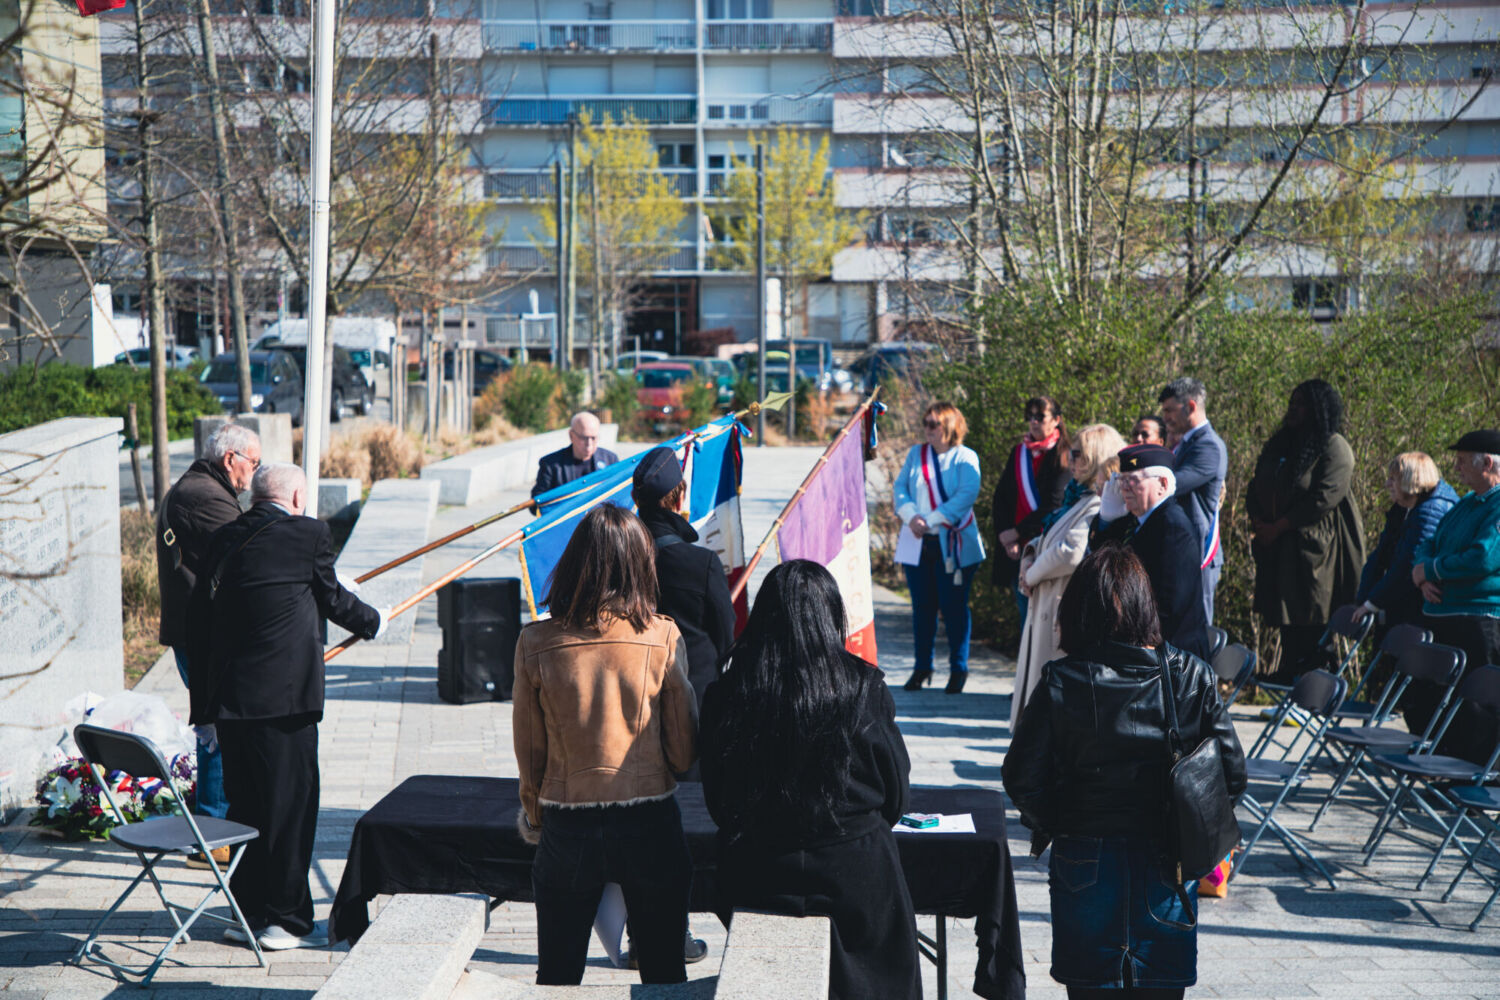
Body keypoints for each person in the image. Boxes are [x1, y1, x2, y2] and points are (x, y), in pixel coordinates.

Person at [1002, 546, 1246, 1000]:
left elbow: (1021, 778)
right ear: (1145, 604)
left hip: (1084, 858)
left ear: (1078, 612)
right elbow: (1232, 776)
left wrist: (1062, 820)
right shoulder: (1191, 675)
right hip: (1166, 858)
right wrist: (1191, 823)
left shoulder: (1062, 679)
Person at [700, 559, 919, 1000]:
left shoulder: (727, 691)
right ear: (831, 616)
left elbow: (718, 800)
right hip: (855, 870)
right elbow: (895, 794)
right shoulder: (863, 687)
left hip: (757, 868)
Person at [188, 463, 385, 951]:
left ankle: (248, 913)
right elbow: (332, 598)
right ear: (297, 497)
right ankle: (286, 920)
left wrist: (204, 711)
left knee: (247, 808)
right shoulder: (308, 534)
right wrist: (374, 621)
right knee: (289, 813)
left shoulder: (225, 537)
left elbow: (201, 624)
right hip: (284, 706)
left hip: (231, 706)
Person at [511, 503, 698, 985]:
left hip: (568, 823)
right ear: (641, 564)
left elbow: (530, 754)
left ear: (575, 563)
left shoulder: (535, 642)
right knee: (664, 973)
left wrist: (535, 817)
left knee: (558, 974)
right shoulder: (663, 636)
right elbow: (682, 753)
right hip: (650, 821)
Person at [155, 422, 260, 855]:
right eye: (254, 463)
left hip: (197, 630)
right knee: (216, 729)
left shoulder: (200, 486)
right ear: (230, 459)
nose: (254, 473)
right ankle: (212, 838)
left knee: (216, 726)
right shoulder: (205, 496)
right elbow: (251, 548)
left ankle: (213, 828)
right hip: (201, 634)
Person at [1246, 380, 1365, 681]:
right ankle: (1289, 674)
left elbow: (1324, 497)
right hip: (1279, 545)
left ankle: (1315, 680)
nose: (1294, 409)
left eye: (1302, 404)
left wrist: (1279, 526)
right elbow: (1257, 483)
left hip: (1317, 550)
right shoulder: (1283, 444)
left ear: (1318, 409)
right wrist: (1260, 521)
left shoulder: (1334, 446)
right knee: (1286, 615)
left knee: (1311, 615)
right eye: (1292, 403)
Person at [1012, 422, 1126, 730]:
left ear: (1096, 457)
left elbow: (1070, 552)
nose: (1070, 461)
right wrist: (1030, 555)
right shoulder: (1075, 498)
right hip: (1047, 598)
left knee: (1048, 708)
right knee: (1037, 703)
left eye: (1077, 454)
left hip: (1060, 604)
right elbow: (1050, 537)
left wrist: (1032, 575)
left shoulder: (1099, 502)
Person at [1407, 432, 1500, 763]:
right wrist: (1421, 574)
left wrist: (1432, 570)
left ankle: (1479, 774)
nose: (1456, 468)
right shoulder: (1466, 503)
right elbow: (1429, 542)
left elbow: (1483, 557)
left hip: (1479, 618)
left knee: (1478, 708)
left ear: (1486, 462)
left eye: (1462, 461)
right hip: (1443, 615)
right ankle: (1442, 765)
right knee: (1438, 701)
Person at [632, 446, 736, 706]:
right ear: (680, 500)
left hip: (632, 697)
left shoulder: (616, 558)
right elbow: (725, 638)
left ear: (636, 500)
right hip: (694, 699)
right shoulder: (702, 564)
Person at [893, 401, 986, 693]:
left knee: (954, 608)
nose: (928, 429)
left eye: (934, 424)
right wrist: (911, 516)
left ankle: (958, 668)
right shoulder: (916, 454)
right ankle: (922, 666)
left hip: (952, 543)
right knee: (922, 608)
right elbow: (900, 488)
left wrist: (930, 520)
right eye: (926, 423)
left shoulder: (965, 457)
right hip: (918, 540)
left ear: (950, 426)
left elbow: (966, 495)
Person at [1093, 444, 1211, 660]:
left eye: (1133, 480)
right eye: (1121, 480)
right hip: (1142, 647)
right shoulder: (1133, 521)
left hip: (1171, 656)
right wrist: (1106, 521)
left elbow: (1170, 606)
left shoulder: (1173, 528)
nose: (1124, 488)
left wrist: (1126, 641)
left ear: (1162, 484)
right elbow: (1101, 565)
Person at [1353, 452, 1456, 629]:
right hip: (1402, 603)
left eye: (1393, 479)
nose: (1387, 484)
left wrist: (1371, 604)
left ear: (1410, 480)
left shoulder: (1429, 513)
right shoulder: (1403, 508)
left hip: (1417, 609)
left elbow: (1408, 564)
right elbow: (1381, 554)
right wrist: (1364, 601)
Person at [992, 396, 1070, 627]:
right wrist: (1007, 536)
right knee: (1025, 619)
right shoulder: (1019, 453)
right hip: (1016, 549)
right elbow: (1001, 497)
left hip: (1045, 546)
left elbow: (1054, 504)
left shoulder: (1065, 454)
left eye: (1040, 417)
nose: (1034, 422)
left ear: (1056, 420)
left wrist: (1017, 532)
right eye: (1030, 417)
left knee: (1043, 622)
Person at [1158, 377, 1228, 626]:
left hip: (1199, 550)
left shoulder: (1208, 446)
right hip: (1181, 548)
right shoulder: (1185, 443)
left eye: (1169, 410)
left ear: (1190, 406)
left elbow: (1171, 485)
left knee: (1196, 628)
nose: (1165, 418)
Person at [531, 411, 619, 497]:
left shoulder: (610, 460)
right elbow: (538, 500)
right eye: (584, 438)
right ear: (571, 435)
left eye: (593, 438)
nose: (589, 443)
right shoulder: (551, 464)